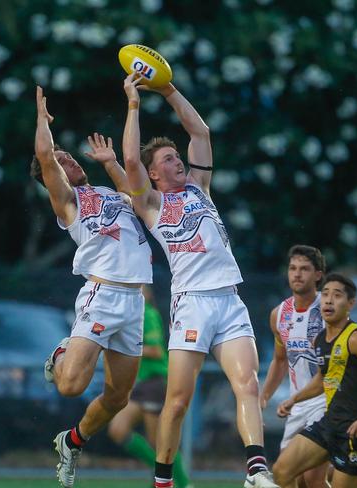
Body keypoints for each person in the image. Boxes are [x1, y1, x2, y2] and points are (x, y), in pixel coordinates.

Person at [121, 73, 277, 488]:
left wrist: (167, 89)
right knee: (176, 402)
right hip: (191, 304)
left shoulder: (200, 188)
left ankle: (256, 469)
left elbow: (200, 130)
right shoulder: (151, 204)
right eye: (169, 160)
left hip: (229, 299)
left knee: (247, 382)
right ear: (155, 175)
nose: (178, 162)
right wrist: (134, 104)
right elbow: (131, 162)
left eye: (177, 156)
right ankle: (163, 480)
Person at [33, 86, 153, 487]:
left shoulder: (107, 192)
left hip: (134, 302)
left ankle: (72, 440)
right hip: (101, 296)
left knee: (119, 397)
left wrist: (112, 162)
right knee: (69, 386)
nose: (69, 161)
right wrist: (42, 125)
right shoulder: (68, 203)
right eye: (63, 161)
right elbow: (46, 158)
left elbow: (139, 200)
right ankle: (63, 350)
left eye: (69, 157)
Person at [273, 273, 357, 488]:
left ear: (350, 304)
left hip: (356, 430)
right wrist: (295, 399)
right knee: (281, 471)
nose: (328, 300)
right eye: (326, 294)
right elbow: (322, 379)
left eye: (337, 295)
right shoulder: (320, 339)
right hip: (329, 423)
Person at [107, 285, 191, 488]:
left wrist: (125, 347)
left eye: (140, 287)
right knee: (118, 429)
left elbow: (155, 351)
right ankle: (160, 474)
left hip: (155, 383)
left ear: (147, 293)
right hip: (142, 385)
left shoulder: (149, 314)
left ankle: (184, 484)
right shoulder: (130, 316)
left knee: (159, 442)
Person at [260, 245, 329, 487]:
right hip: (297, 405)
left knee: (311, 477)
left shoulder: (329, 309)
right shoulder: (279, 314)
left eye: (305, 269)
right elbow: (280, 360)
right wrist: (263, 398)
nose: (297, 274)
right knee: (289, 477)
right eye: (292, 268)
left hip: (327, 402)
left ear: (318, 275)